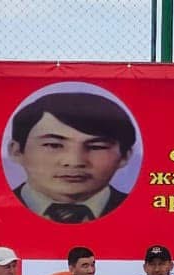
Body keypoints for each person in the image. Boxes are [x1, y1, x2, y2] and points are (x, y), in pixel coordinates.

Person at [8, 92, 136, 223]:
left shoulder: (141, 212)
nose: (74, 161)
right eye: (53, 145)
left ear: (125, 156)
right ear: (16, 151)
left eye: (96, 147)